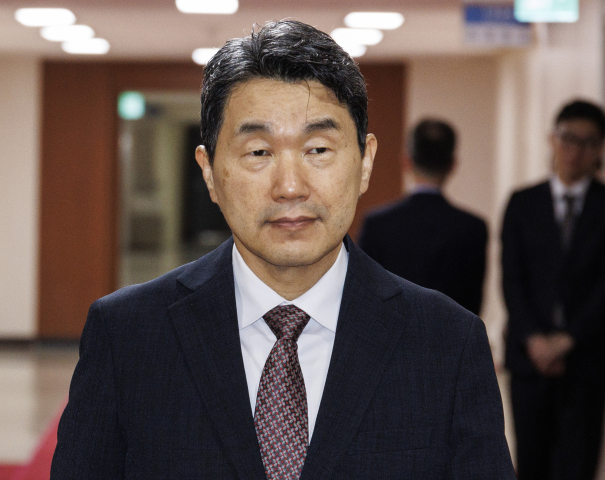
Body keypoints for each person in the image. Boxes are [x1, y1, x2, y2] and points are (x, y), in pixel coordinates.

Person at [51, 20, 515, 479]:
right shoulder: (127, 336)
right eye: (258, 152)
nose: (290, 186)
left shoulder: (448, 344)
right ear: (209, 172)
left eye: (318, 149)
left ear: (365, 161)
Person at [501, 99, 605, 480]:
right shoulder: (522, 203)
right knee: (530, 463)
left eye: (588, 142)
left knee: (578, 464)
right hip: (529, 359)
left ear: (599, 149)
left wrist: (568, 340)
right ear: (552, 139)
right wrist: (535, 340)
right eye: (568, 138)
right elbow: (512, 279)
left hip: (586, 360)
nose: (576, 150)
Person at [359, 119, 488, 315]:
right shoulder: (473, 228)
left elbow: (363, 294)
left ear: (406, 161)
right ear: (452, 165)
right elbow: (472, 306)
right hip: (449, 333)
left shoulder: (377, 224)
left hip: (389, 332)